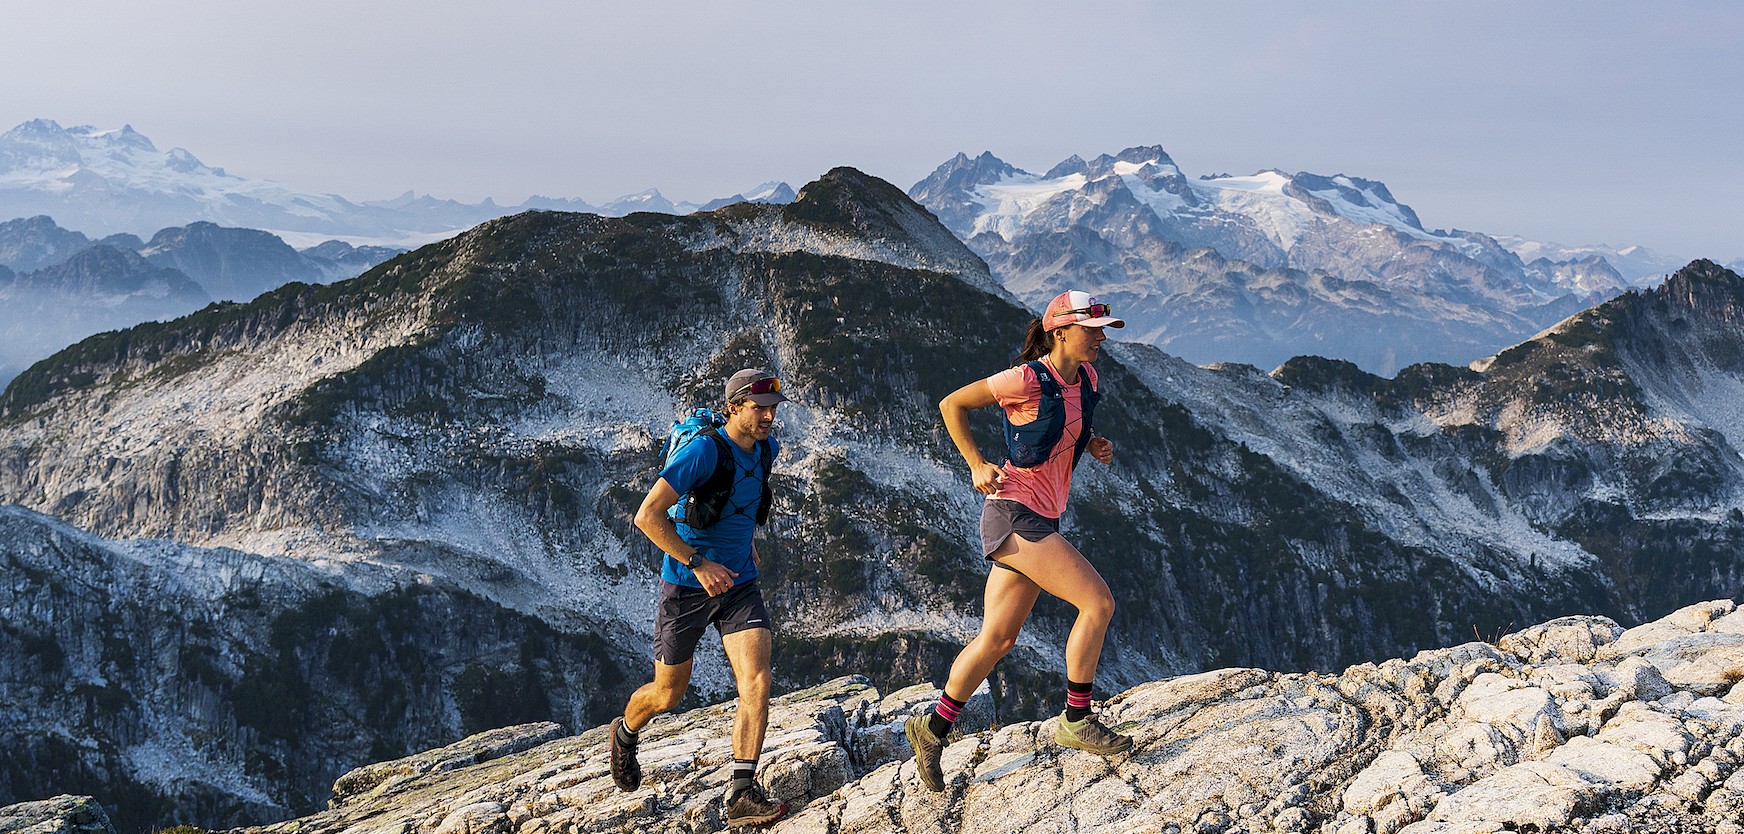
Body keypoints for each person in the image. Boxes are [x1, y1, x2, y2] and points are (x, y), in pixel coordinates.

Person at [905, 290, 1134, 791]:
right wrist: (975, 463)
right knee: (1097, 603)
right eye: (1091, 331)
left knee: (998, 638)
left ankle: (931, 727)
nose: (1100, 339)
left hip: (1041, 518)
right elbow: (952, 404)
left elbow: (1064, 428)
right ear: (1060, 333)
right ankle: (1076, 720)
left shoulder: (1088, 380)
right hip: (1014, 513)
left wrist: (1090, 443)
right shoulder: (1027, 378)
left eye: (1102, 331)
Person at [609, 368, 790, 828]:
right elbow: (647, 517)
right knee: (668, 694)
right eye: (759, 408)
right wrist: (698, 563)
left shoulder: (766, 449)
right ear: (733, 407)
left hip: (738, 585)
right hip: (687, 585)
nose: (769, 416)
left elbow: (744, 501)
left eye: (773, 408)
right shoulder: (704, 451)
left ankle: (742, 792)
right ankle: (626, 733)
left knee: (757, 678)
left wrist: (743, 545)